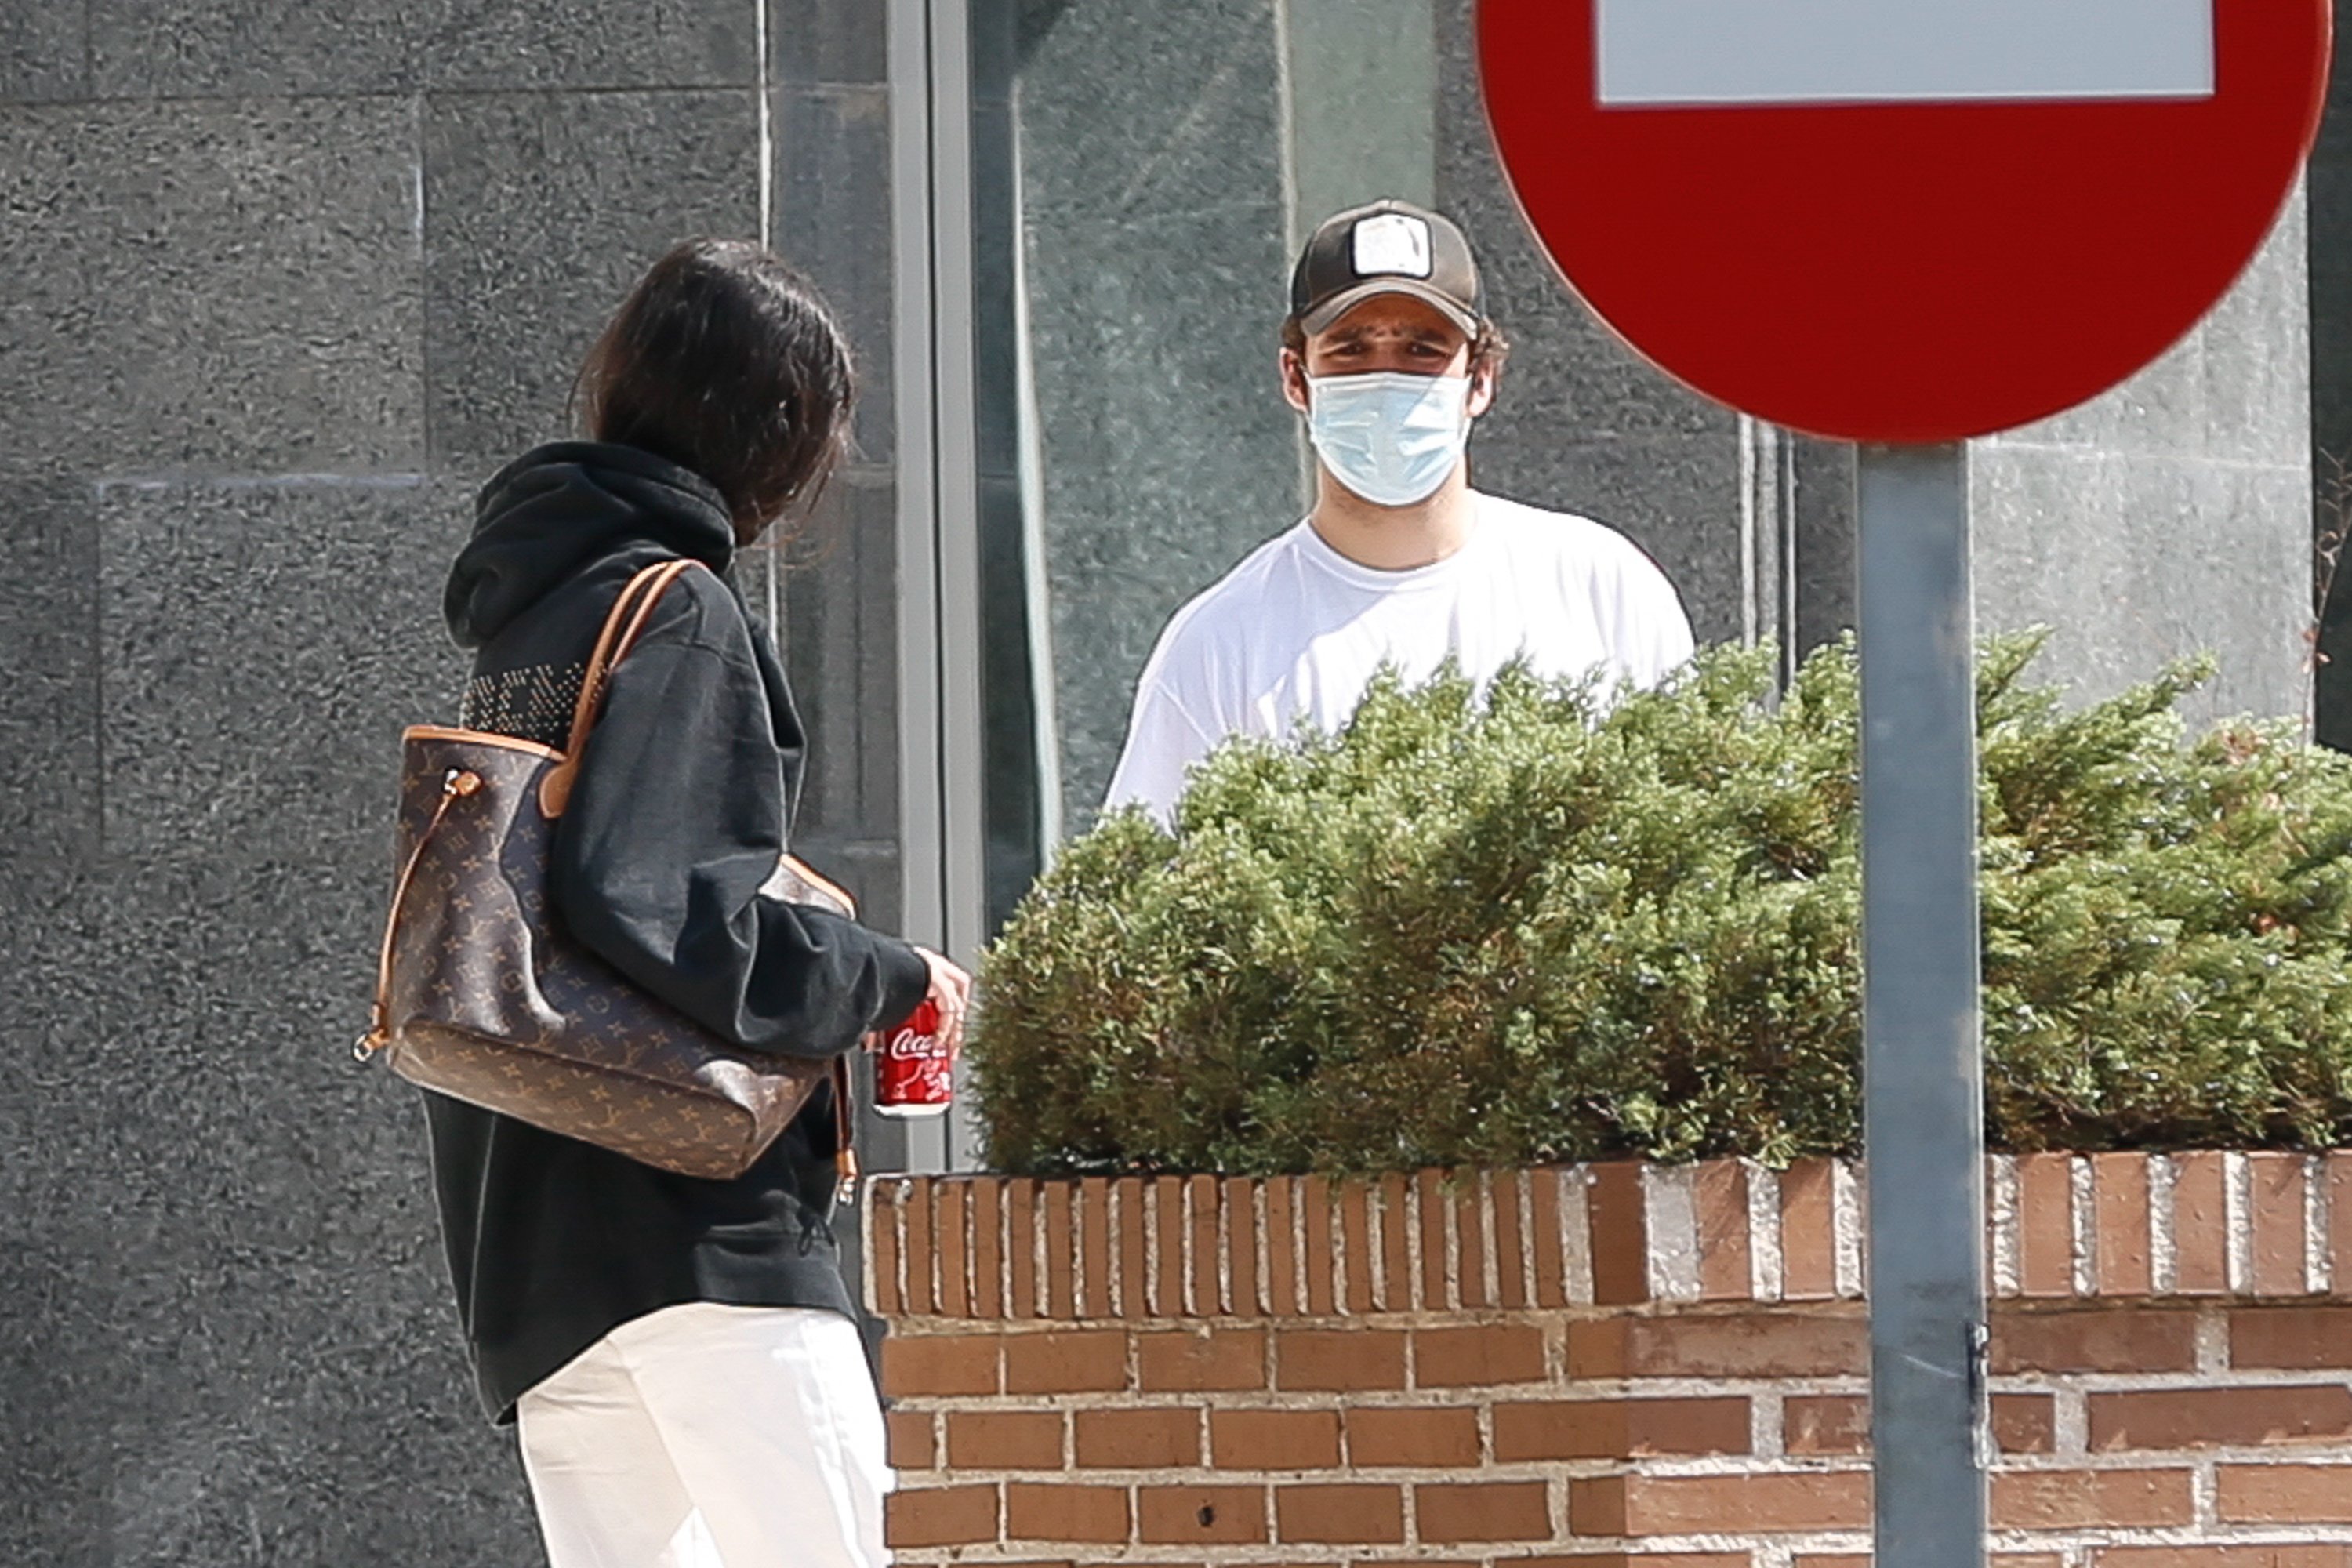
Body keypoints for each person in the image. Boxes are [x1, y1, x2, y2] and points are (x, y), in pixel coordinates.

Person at [427, 238, 969, 1568]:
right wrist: (889, 976)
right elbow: (664, 904)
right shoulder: (677, 607)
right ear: (779, 435)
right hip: (698, 1236)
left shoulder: (534, 609)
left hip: (533, 1260)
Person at [1103, 199, 1697, 822]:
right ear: (1296, 379)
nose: (1386, 377)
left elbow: (1695, 838)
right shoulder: (1224, 642)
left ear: (1482, 379)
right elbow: (1142, 891)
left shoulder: (1600, 586)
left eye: (1423, 350)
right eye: (1350, 350)